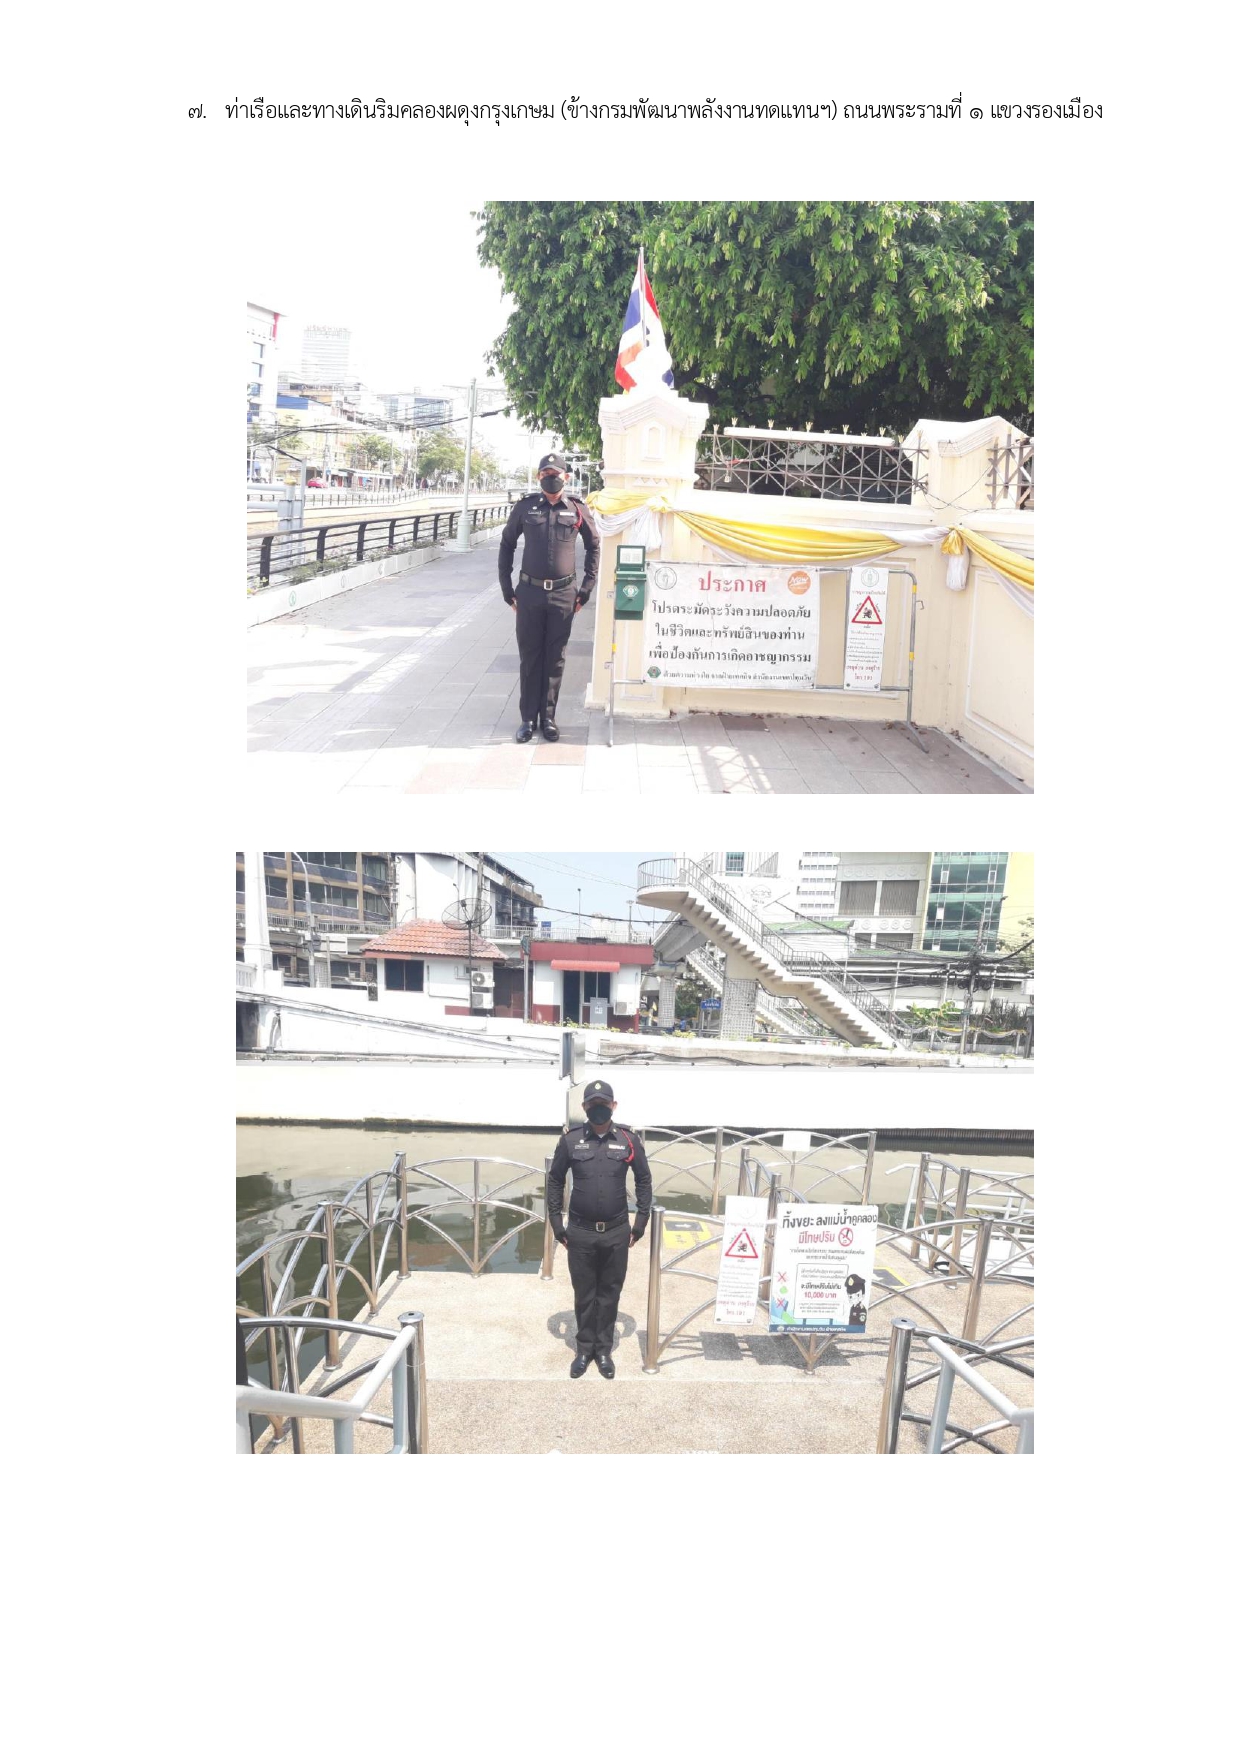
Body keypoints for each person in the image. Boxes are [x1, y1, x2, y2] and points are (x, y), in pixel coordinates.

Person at [546, 1079, 652, 1379]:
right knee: (584, 1293)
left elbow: (643, 1179)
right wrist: (556, 1222)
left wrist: (641, 1221)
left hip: (617, 1231)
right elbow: (555, 1180)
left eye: (603, 1104)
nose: (598, 1109)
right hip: (580, 1231)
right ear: (584, 1107)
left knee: (609, 1293)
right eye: (593, 1105)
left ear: (613, 1106)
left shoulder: (628, 1140)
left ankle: (603, 1350)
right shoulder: (571, 1140)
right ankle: (584, 1349)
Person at [498, 451, 600, 744]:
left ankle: (549, 718)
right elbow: (507, 544)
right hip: (529, 593)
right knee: (530, 656)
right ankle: (528, 719)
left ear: (566, 477)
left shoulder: (577, 508)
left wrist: (586, 588)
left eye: (555, 474)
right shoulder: (525, 507)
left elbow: (594, 546)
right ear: (538, 477)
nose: (550, 478)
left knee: (555, 658)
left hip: (563, 594)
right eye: (545, 474)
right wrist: (507, 589)